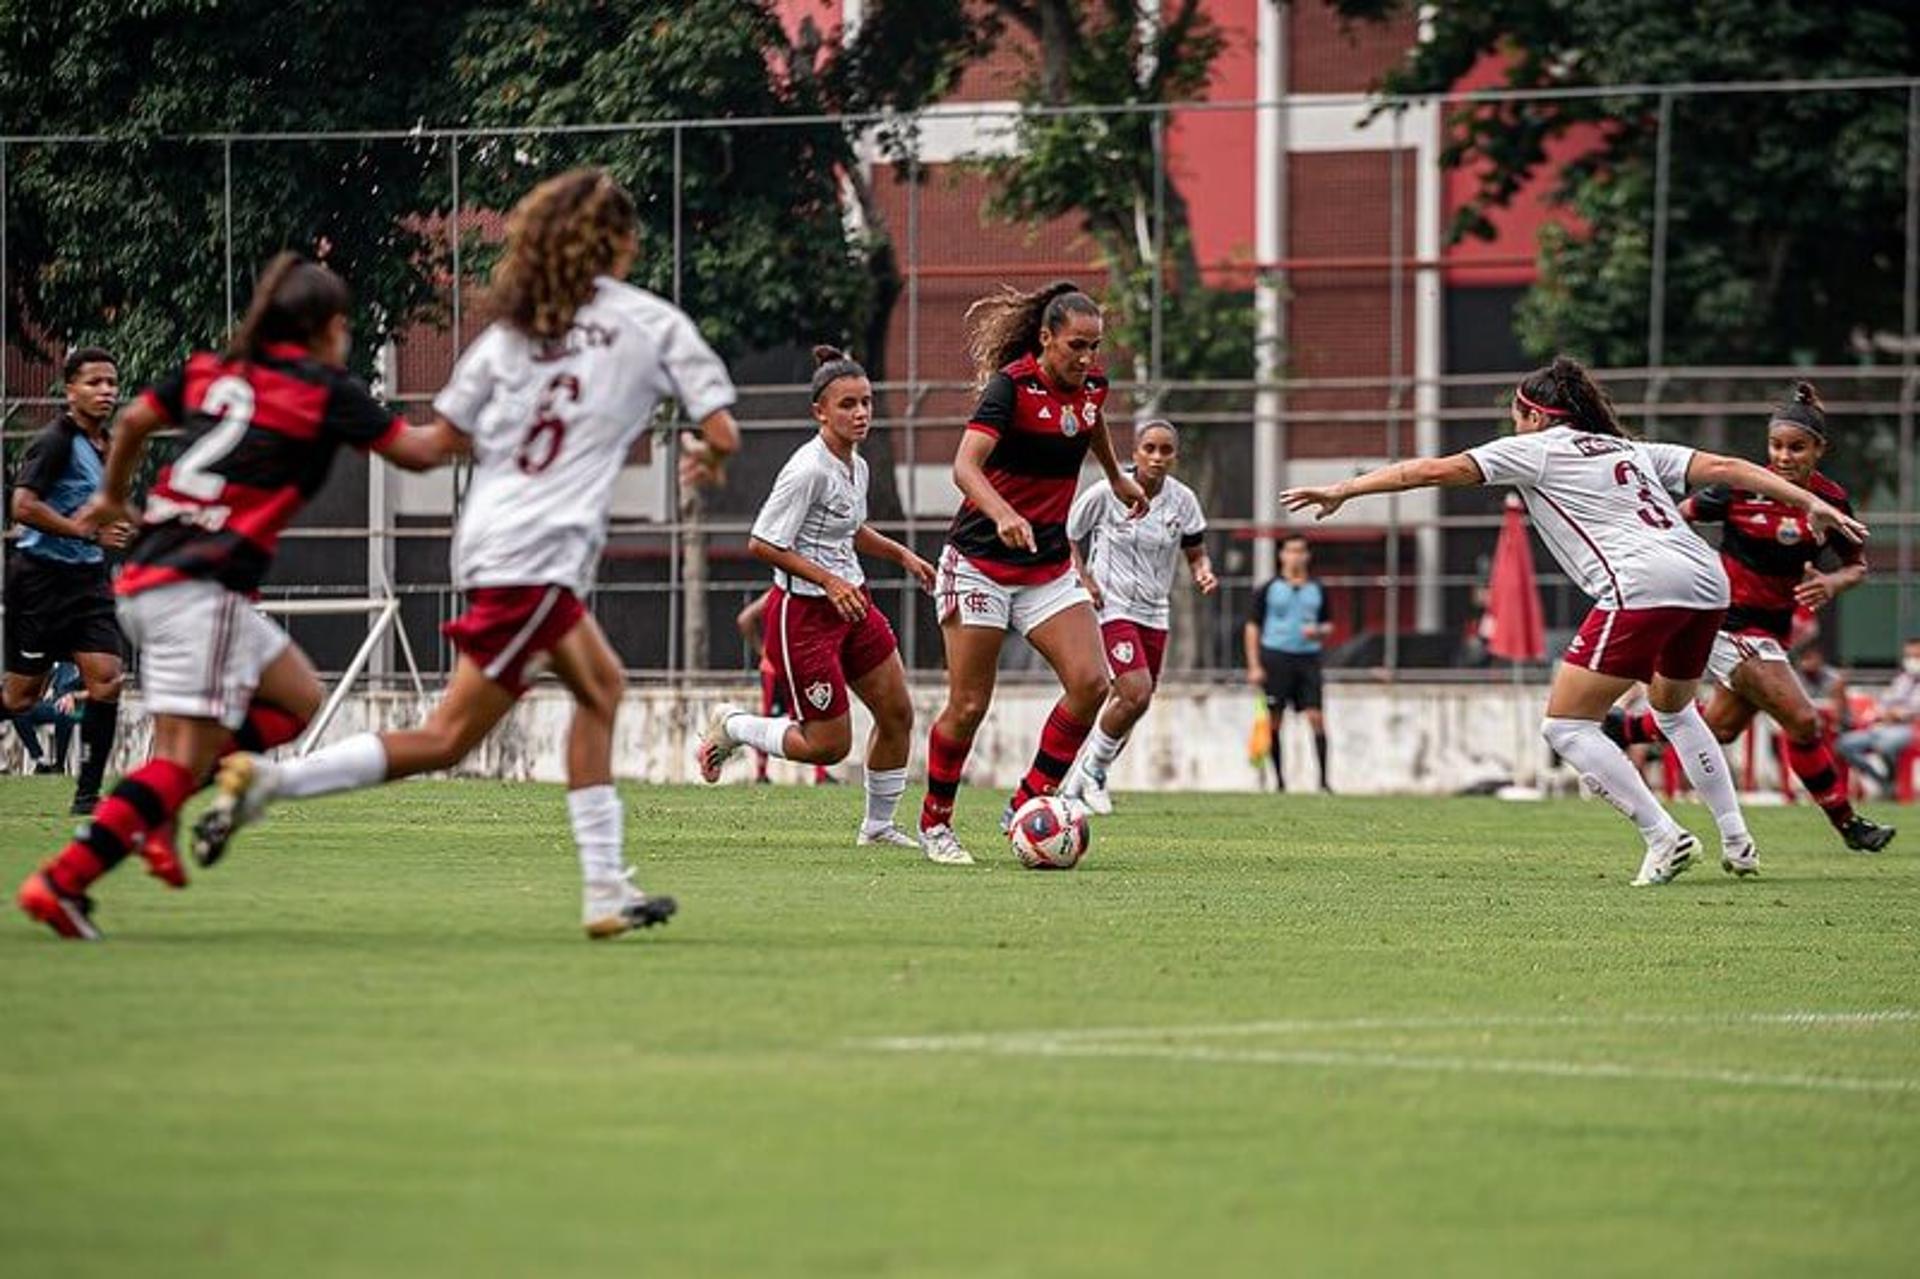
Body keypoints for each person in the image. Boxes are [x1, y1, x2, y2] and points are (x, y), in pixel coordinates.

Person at [196, 168, 740, 941]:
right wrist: (707, 459)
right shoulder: (652, 323)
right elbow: (722, 429)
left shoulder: (507, 338)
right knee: (448, 736)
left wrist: (330, 399)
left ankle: (606, 887)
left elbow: (425, 450)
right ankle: (271, 784)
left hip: (491, 543)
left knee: (601, 687)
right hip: (539, 557)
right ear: (618, 242)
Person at [1283, 356, 1866, 886]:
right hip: (1706, 581)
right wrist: (1809, 501)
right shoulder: (1629, 450)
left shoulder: (1534, 449)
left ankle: (1663, 836)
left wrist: (1343, 489)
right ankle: (1738, 842)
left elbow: (1427, 470)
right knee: (1674, 710)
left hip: (1644, 584)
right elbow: (1728, 467)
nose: (1514, 425)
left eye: (1516, 414)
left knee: (1566, 728)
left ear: (1534, 415)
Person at [15, 254, 457, 940]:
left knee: (299, 699)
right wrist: (491, 411)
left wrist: (111, 495)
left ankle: (153, 808)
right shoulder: (323, 387)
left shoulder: (212, 370)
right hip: (199, 587)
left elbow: (132, 423)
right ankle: (66, 877)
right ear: (328, 327)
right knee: (178, 762)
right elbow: (423, 451)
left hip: (156, 578)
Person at [915, 281, 1148, 865]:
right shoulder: (1010, 388)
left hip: (1045, 569)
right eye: (1076, 345)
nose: (1087, 358)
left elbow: (1088, 420)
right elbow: (965, 468)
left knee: (1092, 683)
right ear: (1045, 338)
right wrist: (1003, 513)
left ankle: (1027, 803)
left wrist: (1115, 476)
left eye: (1095, 346)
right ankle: (935, 823)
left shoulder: (1093, 386)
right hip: (979, 565)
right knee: (968, 705)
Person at [1605, 382, 1894, 852]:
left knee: (1719, 727)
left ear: (1819, 449)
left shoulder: (1831, 502)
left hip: (1772, 632)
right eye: (1776, 446)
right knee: (1804, 722)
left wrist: (1832, 582)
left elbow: (1857, 565)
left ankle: (1620, 728)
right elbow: (1677, 517)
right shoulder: (1740, 489)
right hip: (1726, 621)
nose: (1783, 456)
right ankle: (1849, 825)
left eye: (1796, 447)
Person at [696, 347, 936, 848]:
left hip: (854, 605)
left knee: (897, 714)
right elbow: (762, 542)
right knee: (827, 746)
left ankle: (877, 827)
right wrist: (828, 581)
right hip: (804, 615)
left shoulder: (858, 466)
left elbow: (850, 529)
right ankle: (735, 726)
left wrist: (903, 557)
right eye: (848, 404)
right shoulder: (806, 469)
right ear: (820, 412)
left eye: (866, 402)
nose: (862, 413)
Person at [1056, 419, 1215, 813]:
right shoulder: (1106, 493)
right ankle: (1092, 772)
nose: (1157, 457)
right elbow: (1068, 534)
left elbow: (1195, 549)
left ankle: (1078, 781)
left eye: (1166, 450)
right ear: (1135, 452)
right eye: (1150, 448)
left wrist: (1203, 571)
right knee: (1135, 691)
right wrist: (1084, 578)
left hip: (1155, 610)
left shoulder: (1183, 501)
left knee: (1132, 703)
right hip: (1111, 606)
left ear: (1175, 456)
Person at [3, 347, 134, 814]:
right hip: (39, 583)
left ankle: (87, 797)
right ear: (70, 389)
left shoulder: (110, 444)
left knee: (107, 679)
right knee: (21, 697)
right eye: (94, 383)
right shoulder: (54, 441)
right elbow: (22, 506)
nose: (106, 392)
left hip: (87, 582)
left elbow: (107, 511)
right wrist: (82, 529)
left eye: (112, 383)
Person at [1244, 534, 1333, 793]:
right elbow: (1252, 626)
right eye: (1291, 551)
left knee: (1316, 717)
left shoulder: (1318, 588)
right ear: (1282, 555)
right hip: (1276, 657)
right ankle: (1280, 782)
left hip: (1308, 658)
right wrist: (1254, 665)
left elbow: (1328, 624)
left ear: (1307, 556)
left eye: (1301, 551)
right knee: (1275, 719)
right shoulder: (1268, 588)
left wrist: (1319, 632)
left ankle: (1324, 782)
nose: (1296, 556)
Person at [735, 588, 831, 785]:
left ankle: (818, 774)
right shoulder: (784, 593)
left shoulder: (783, 594)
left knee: (809, 715)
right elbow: (744, 620)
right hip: (781, 669)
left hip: (792, 666)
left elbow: (745, 620)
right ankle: (763, 773)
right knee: (804, 715)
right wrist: (763, 651)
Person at [1836, 637, 1920, 795]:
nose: (1912, 661)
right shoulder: (1901, 680)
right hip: (1884, 726)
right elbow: (1882, 703)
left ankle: (1894, 779)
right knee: (1844, 744)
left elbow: (1915, 710)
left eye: (1917, 656)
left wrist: (1899, 714)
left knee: (1884, 745)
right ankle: (1884, 782)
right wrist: (1882, 713)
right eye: (1909, 656)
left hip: (1911, 728)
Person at [5, 661, 84, 774]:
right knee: (19, 712)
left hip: (75, 707)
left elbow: (93, 690)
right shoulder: (56, 662)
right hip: (51, 704)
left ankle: (59, 764)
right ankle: (40, 759)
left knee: (64, 715)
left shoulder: (86, 663)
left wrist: (73, 696)